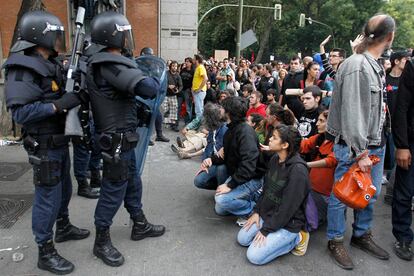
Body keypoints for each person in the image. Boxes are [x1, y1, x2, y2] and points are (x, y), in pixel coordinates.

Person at [4, 11, 89, 274]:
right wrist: (57, 106)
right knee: (47, 198)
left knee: (63, 191)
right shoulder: (21, 67)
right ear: (41, 36)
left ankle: (62, 227)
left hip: (59, 141)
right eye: (55, 35)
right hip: (44, 143)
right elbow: (20, 113)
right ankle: (45, 251)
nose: (58, 41)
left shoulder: (49, 63)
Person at [87, 11, 165, 267]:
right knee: (113, 190)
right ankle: (101, 242)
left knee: (132, 182)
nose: (128, 40)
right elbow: (147, 88)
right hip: (116, 140)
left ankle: (139, 224)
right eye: (124, 35)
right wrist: (153, 76)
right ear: (114, 36)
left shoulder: (106, 62)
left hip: (124, 138)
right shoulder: (109, 64)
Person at [326, 14, 395, 270]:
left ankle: (361, 235)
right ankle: (334, 240)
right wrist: (361, 152)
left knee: (368, 193)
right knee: (342, 194)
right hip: (357, 147)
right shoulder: (357, 65)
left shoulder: (371, 63)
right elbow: (353, 113)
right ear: (390, 37)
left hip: (375, 143)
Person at [237, 125, 310, 265]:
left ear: (285, 145)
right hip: (268, 214)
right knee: (242, 239)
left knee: (254, 256)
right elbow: (266, 190)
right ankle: (273, 238)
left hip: (289, 223)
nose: (269, 139)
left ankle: (298, 239)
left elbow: (288, 208)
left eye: (274, 137)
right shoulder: (274, 159)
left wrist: (266, 230)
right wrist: (257, 211)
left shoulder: (298, 171)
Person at [201, 97, 264, 216]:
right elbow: (226, 155)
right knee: (220, 210)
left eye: (222, 108)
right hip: (239, 175)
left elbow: (249, 166)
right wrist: (211, 160)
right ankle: (247, 197)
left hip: (251, 178)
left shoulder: (245, 133)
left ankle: (256, 210)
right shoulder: (231, 129)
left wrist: (230, 185)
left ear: (228, 113)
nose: (220, 110)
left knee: (221, 200)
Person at [391, 53, 414, 261]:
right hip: (411, 144)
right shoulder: (412, 67)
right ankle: (403, 237)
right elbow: (402, 107)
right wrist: (402, 145)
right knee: (404, 194)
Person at [300, 110, 337, 226]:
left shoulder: (340, 143)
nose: (317, 124)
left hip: (325, 195)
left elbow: (331, 161)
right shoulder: (320, 137)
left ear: (332, 124)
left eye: (322, 121)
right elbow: (302, 145)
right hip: (311, 188)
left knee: (305, 223)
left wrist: (306, 165)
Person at [139, 47, 169, 144]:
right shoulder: (138, 65)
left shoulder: (153, 66)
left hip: (152, 96)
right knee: (144, 117)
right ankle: (145, 138)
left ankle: (159, 135)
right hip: (141, 96)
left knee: (158, 116)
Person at [164, 60, 183, 132]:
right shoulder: (166, 74)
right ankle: (167, 123)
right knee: (165, 110)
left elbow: (181, 85)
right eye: (173, 66)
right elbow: (162, 83)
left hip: (173, 95)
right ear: (170, 66)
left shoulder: (178, 75)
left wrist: (178, 90)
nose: (174, 67)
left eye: (176, 66)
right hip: (165, 94)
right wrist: (168, 86)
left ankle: (174, 126)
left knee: (174, 111)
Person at [191, 54, 208, 125]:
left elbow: (205, 79)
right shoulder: (198, 67)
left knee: (198, 110)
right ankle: (200, 125)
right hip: (197, 92)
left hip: (199, 92)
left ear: (197, 60)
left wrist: (199, 89)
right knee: (199, 109)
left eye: (193, 59)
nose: (192, 60)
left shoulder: (200, 67)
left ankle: (198, 125)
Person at [179, 57, 194, 124]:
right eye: (185, 61)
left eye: (188, 61)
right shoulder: (183, 70)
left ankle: (188, 122)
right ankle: (176, 122)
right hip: (181, 90)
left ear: (191, 63)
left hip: (188, 91)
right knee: (178, 106)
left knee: (188, 107)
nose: (186, 63)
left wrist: (191, 91)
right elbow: (179, 79)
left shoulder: (193, 71)